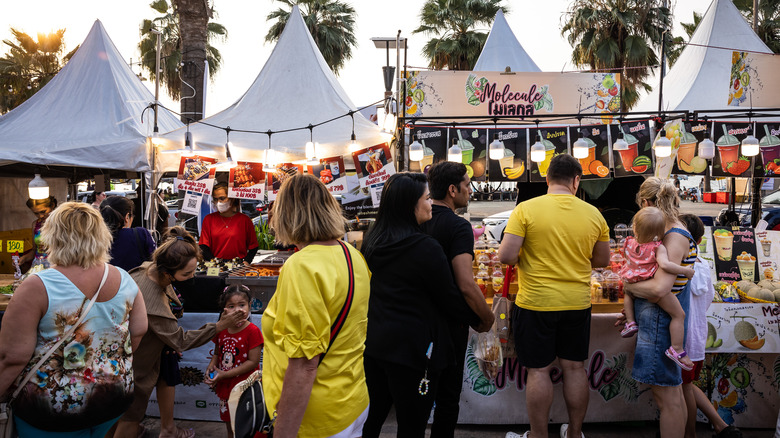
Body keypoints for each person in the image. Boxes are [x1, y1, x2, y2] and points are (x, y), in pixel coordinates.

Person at [0, 202, 148, 436]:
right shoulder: (124, 277)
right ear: (102, 236)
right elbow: (139, 330)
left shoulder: (38, 286)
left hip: (52, 409)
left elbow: (12, 358)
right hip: (113, 398)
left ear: (53, 237)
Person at [498, 154, 610, 438]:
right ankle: (574, 433)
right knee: (575, 369)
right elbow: (602, 261)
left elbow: (507, 256)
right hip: (577, 303)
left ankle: (538, 435)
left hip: (536, 303)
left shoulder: (526, 209)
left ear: (546, 179)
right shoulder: (594, 214)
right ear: (576, 180)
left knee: (538, 371)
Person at [361, 172, 478, 438]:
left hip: (377, 345)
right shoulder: (426, 247)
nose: (430, 205)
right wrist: (481, 320)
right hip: (415, 353)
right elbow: (450, 298)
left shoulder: (373, 240)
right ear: (409, 204)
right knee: (412, 427)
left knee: (372, 420)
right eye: (426, 199)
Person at [262, 174, 371, 438]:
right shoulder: (352, 254)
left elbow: (304, 364)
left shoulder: (301, 265)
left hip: (314, 419)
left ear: (288, 214)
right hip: (351, 399)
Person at [112, 227, 247, 438]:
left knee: (118, 416)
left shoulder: (146, 269)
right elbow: (180, 340)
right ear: (167, 272)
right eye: (187, 274)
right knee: (131, 417)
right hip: (136, 366)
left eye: (194, 270)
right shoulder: (153, 304)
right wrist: (219, 326)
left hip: (126, 360)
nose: (193, 277)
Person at [618, 177, 698, 438]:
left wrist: (628, 288)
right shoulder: (666, 233)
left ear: (645, 203)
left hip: (660, 325)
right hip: (657, 321)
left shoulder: (673, 237)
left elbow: (658, 289)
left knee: (668, 400)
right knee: (671, 394)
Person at [421, 161, 494, 438]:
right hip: (450, 326)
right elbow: (465, 283)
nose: (470, 191)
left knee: (420, 395)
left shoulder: (418, 222)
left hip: (418, 322)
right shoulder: (458, 227)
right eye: (467, 185)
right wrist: (485, 318)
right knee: (448, 398)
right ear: (453, 190)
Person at [677, 215, 742, 438]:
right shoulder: (704, 265)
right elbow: (708, 300)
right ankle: (721, 426)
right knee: (687, 387)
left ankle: (690, 434)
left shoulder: (681, 266)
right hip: (698, 338)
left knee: (684, 390)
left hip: (683, 340)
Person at [619, 207, 695, 370]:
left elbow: (628, 261)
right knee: (679, 315)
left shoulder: (629, 243)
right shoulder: (657, 247)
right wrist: (685, 270)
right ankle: (677, 349)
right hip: (651, 284)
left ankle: (631, 322)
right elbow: (666, 265)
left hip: (634, 281)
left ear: (634, 228)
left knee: (628, 292)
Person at [204, 285, 263, 438]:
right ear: (224, 309)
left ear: (250, 305)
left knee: (245, 425)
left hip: (245, 388)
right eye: (231, 306)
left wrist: (225, 373)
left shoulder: (253, 331)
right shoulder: (221, 330)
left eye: (242, 305)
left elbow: (253, 361)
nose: (237, 310)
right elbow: (217, 353)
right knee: (230, 424)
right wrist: (211, 367)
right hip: (226, 387)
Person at [199, 182, 258, 263]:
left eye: (222, 198)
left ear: (232, 198)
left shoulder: (245, 220)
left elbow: (253, 247)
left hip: (238, 264)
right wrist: (214, 262)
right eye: (216, 199)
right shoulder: (209, 219)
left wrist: (247, 261)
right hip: (215, 264)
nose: (218, 202)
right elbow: (203, 246)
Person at [100, 196, 156, 272]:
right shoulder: (140, 234)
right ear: (127, 217)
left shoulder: (94, 238)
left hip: (104, 282)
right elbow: (155, 259)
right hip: (136, 282)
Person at [19, 196, 58, 271]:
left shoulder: (60, 224)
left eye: (43, 211)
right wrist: (23, 259)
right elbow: (34, 250)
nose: (40, 216)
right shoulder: (35, 225)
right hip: (38, 266)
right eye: (36, 213)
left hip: (55, 265)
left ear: (52, 206)